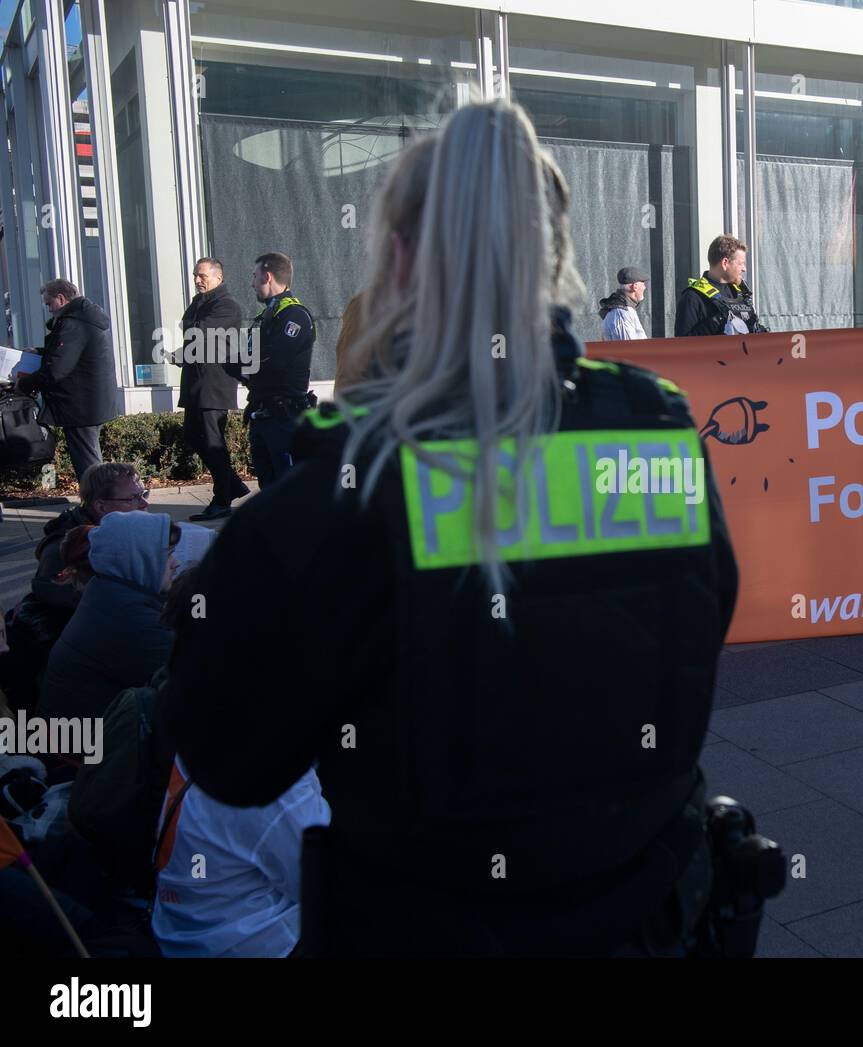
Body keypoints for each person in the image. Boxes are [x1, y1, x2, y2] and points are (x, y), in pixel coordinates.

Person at [160, 100, 739, 958]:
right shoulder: (657, 429)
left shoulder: (344, 486)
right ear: (556, 257)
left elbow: (226, 756)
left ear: (398, 262)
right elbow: (703, 623)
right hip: (647, 921)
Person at [0, 464, 149, 712]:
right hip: (48, 665)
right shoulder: (67, 548)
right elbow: (87, 606)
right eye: (134, 498)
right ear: (101, 506)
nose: (144, 504)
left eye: (145, 495)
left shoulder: (122, 532)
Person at [152, 759, 329, 958]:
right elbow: (325, 886)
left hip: (184, 933)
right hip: (258, 943)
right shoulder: (273, 779)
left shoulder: (204, 739)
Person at [37, 512, 179, 722]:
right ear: (138, 560)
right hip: (87, 750)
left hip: (75, 739)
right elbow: (200, 676)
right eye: (168, 555)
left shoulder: (105, 592)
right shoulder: (131, 620)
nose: (176, 563)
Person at [14, 279, 117, 484]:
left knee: (87, 463)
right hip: (90, 402)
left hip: (80, 405)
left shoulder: (73, 323)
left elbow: (57, 369)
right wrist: (40, 352)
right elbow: (70, 354)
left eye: (48, 304)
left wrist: (24, 384)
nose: (49, 310)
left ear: (61, 299)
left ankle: (98, 505)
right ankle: (99, 503)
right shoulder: (87, 317)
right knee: (90, 457)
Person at [231, 252, 316, 487]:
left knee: (290, 491)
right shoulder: (266, 315)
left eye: (254, 276)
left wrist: (236, 365)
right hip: (263, 415)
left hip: (285, 418)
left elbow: (274, 362)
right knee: (268, 488)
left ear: (267, 277)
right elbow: (254, 363)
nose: (251, 283)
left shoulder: (295, 315)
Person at [178, 258, 251, 521]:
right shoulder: (201, 302)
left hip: (214, 384)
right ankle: (232, 484)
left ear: (218, 277)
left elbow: (197, 331)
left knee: (212, 441)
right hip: (197, 382)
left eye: (202, 276)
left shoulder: (226, 305)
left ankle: (222, 497)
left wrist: (188, 337)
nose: (197, 280)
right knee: (192, 435)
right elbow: (190, 330)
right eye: (195, 276)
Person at [675, 235, 768, 337]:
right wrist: (716, 322)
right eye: (741, 263)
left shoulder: (739, 292)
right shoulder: (693, 297)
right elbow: (682, 345)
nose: (744, 269)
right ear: (725, 263)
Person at [597, 267, 650, 340]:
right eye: (643, 284)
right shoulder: (621, 314)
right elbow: (628, 349)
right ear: (635, 286)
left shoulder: (622, 312)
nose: (644, 287)